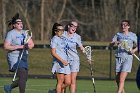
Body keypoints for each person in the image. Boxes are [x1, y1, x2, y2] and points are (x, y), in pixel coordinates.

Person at [3, 13, 34, 93]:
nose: (21, 24)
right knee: (23, 75)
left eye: (21, 22)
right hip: (14, 59)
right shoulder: (11, 33)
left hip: (23, 58)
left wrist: (27, 46)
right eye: (18, 23)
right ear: (14, 25)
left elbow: (32, 44)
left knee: (24, 78)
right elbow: (6, 46)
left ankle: (9, 87)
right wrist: (19, 47)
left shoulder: (26, 32)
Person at [110, 20, 137, 93]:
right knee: (117, 79)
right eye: (122, 25)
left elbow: (139, 46)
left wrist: (134, 50)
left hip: (127, 58)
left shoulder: (133, 35)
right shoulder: (118, 35)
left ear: (128, 26)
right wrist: (115, 42)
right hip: (118, 58)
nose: (123, 26)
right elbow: (111, 44)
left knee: (122, 79)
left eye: (125, 25)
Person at [63, 21, 85, 93]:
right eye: (73, 26)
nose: (74, 28)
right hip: (64, 61)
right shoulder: (63, 34)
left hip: (74, 60)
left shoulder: (77, 37)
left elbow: (81, 47)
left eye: (76, 27)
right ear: (69, 26)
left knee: (72, 80)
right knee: (65, 81)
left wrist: (87, 55)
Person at [50, 23, 71, 93]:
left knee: (68, 82)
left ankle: (54, 91)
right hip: (59, 63)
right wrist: (62, 60)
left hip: (65, 63)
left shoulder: (62, 38)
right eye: (60, 30)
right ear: (55, 31)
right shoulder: (54, 39)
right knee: (60, 82)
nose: (62, 31)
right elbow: (53, 53)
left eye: (63, 30)